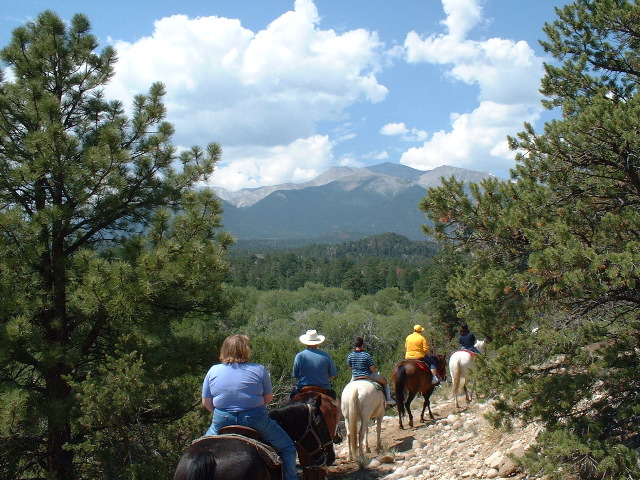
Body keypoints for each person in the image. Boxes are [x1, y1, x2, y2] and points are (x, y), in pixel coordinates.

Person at [201, 334, 298, 480]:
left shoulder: (213, 370)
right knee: (288, 448)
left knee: (199, 448)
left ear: (225, 350)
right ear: (245, 350)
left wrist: (226, 412)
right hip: (255, 419)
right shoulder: (259, 369)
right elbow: (268, 398)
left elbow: (206, 402)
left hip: (222, 420)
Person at [291, 329, 341, 441]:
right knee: (337, 406)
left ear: (306, 342)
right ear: (318, 343)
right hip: (323, 388)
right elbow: (333, 374)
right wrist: (323, 379)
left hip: (303, 389)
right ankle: (335, 429)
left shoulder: (299, 356)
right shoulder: (326, 356)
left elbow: (296, 375)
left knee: (288, 404)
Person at [347, 336, 396, 407]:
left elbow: (351, 368)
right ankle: (388, 399)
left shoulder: (350, 356)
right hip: (367, 375)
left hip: (355, 376)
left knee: (348, 388)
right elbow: (372, 369)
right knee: (385, 381)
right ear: (363, 344)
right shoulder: (367, 355)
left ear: (355, 345)